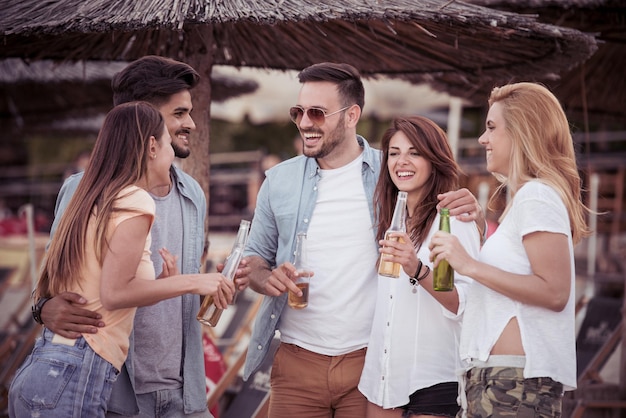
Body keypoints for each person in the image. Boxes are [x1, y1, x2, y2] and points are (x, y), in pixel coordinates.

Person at [241, 62, 484, 417]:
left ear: (352, 114)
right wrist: (267, 278)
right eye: (299, 112)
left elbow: (435, 203)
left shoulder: (389, 172)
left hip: (368, 364)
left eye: (317, 113)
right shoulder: (278, 181)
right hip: (297, 363)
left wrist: (473, 212)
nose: (305, 122)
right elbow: (254, 261)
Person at [35, 56, 234, 417]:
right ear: (144, 120)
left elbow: (166, 288)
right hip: (110, 394)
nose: (191, 123)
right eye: (179, 113)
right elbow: (52, 277)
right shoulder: (83, 189)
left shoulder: (193, 195)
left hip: (183, 393)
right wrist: (43, 308)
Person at [429, 82, 591, 417]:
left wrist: (468, 264)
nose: (482, 139)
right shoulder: (525, 200)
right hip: (502, 377)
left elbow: (555, 292)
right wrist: (478, 228)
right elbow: (513, 278)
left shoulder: (537, 196)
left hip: (515, 381)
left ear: (522, 133)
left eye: (491, 127)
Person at [359, 116, 480, 418]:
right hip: (384, 376)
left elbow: (464, 303)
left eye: (414, 152)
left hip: (434, 379)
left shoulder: (451, 221)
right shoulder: (392, 225)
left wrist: (417, 269)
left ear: (434, 159)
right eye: (395, 152)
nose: (402, 161)